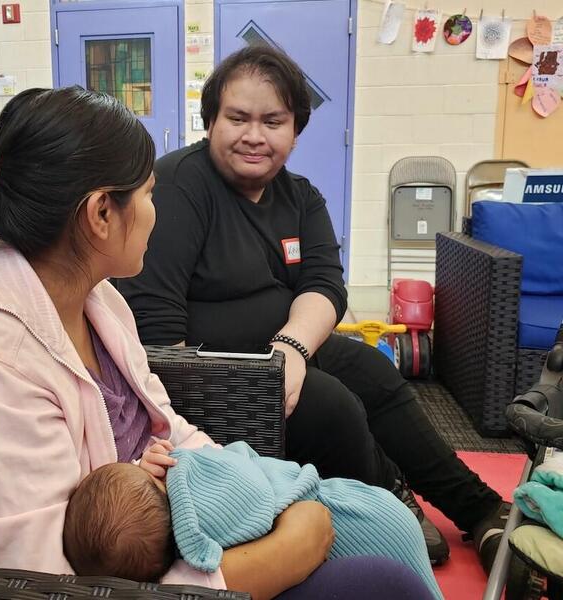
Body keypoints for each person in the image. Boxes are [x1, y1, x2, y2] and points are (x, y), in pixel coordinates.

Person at [0, 86, 435, 600]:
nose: (157, 212)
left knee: (382, 524)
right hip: (116, 578)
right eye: (149, 195)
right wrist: (280, 554)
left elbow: (167, 427)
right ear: (101, 213)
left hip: (167, 534)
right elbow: (52, 585)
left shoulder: (98, 301)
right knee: (383, 581)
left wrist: (260, 489)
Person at [117, 45, 510, 570]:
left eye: (272, 121)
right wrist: (246, 384)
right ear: (211, 122)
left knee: (373, 371)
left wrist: (291, 348)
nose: (254, 135)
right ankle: (384, 502)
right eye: (237, 118)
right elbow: (160, 335)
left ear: (295, 131)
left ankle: (479, 508)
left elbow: (326, 284)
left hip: (282, 353)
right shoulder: (179, 188)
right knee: (331, 405)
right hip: (214, 380)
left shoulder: (299, 196)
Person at [63, 441, 442, 599]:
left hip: (353, 514)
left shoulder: (186, 529)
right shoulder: (197, 508)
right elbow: (243, 468)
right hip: (364, 521)